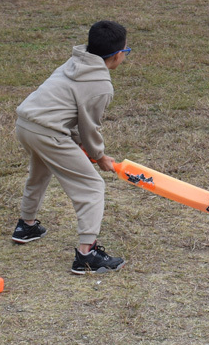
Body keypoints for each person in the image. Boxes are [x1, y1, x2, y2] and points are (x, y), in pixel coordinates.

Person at [13, 20, 130, 275]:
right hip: (48, 132)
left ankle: (26, 225)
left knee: (40, 172)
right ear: (118, 55)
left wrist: (82, 147)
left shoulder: (76, 61)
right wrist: (99, 156)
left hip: (25, 124)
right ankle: (87, 254)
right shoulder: (101, 86)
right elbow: (89, 127)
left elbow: (72, 114)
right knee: (92, 186)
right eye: (127, 51)